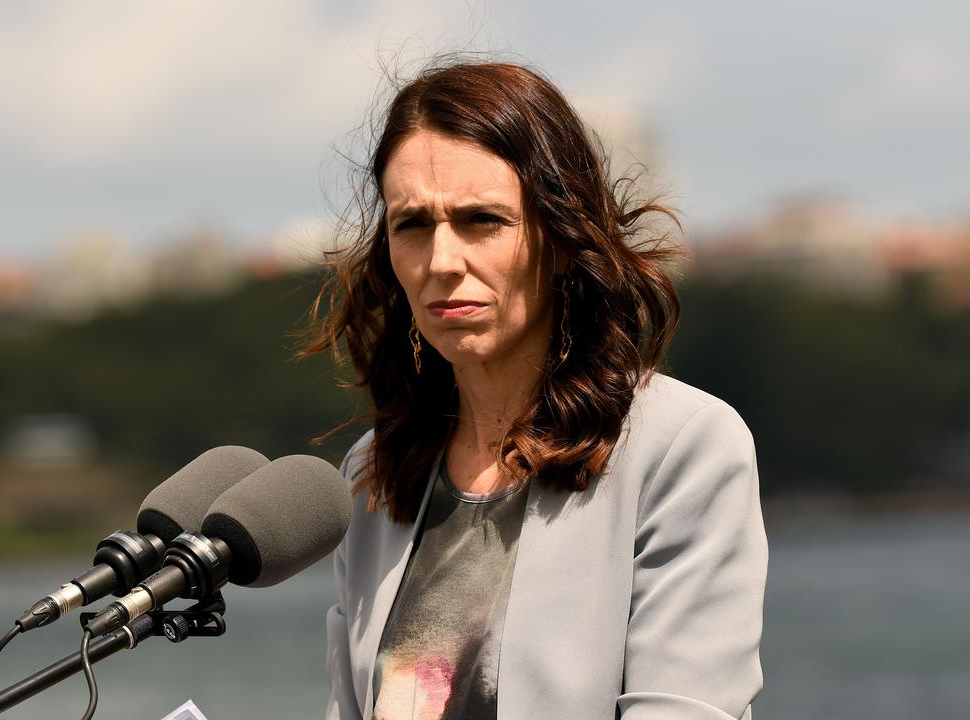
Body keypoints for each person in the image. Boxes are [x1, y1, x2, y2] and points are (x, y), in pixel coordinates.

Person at [303, 59, 767, 720]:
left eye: (481, 221)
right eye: (412, 225)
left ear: (559, 232)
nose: (442, 261)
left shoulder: (682, 446)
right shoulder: (372, 478)